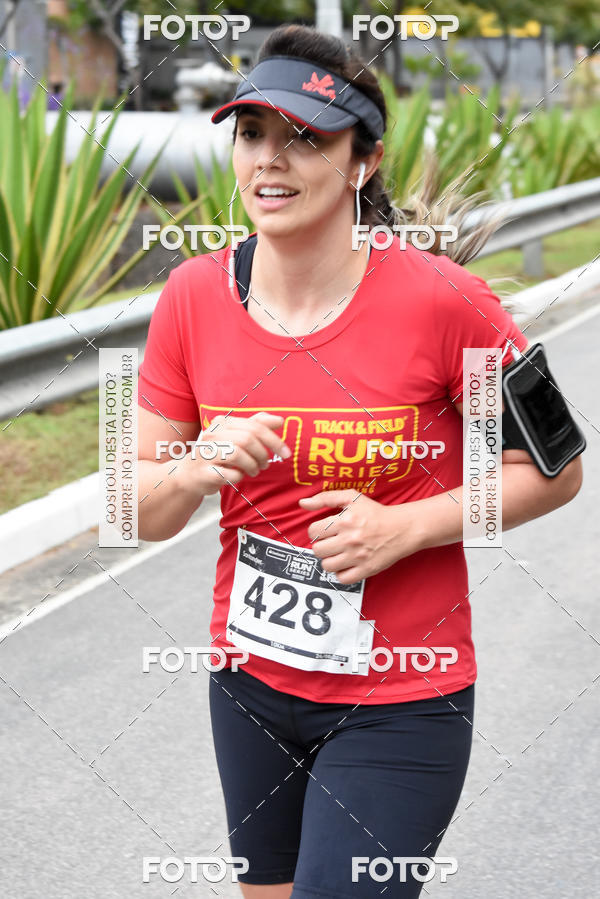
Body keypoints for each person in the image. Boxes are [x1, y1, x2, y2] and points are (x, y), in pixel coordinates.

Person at [136, 24, 583, 899]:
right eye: (252, 133)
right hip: (250, 688)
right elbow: (134, 507)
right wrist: (193, 468)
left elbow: (557, 470)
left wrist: (409, 526)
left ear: (362, 163)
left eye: (305, 138)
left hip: (403, 699)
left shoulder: (446, 302)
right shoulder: (190, 298)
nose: (270, 160)